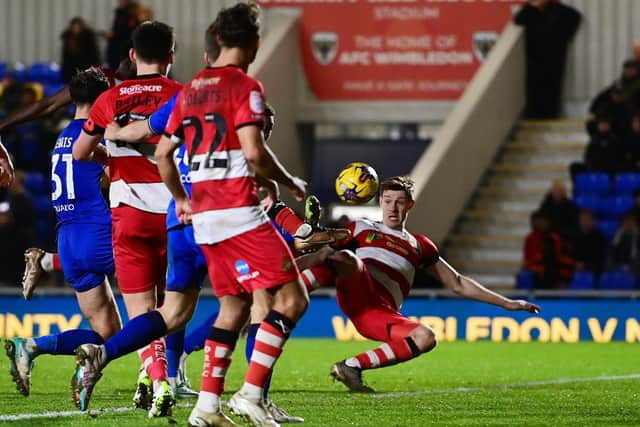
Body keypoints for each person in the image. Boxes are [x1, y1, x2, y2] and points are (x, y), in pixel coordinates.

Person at [73, 7, 308, 426]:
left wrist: (176, 193)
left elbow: (153, 143)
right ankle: (253, 395)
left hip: (182, 217)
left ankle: (198, 403)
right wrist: (287, 181)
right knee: (284, 299)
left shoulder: (190, 91)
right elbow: (252, 151)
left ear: (211, 46)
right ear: (252, 44)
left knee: (201, 310)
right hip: (233, 211)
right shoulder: (241, 86)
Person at [296, 176, 540, 393]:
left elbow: (456, 283)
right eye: (388, 200)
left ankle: (351, 366)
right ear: (380, 202)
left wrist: (508, 303)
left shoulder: (420, 245)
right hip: (358, 288)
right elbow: (316, 251)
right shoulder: (362, 228)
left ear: (409, 205)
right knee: (341, 257)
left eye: (399, 202)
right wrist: (289, 265)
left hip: (380, 315)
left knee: (426, 337)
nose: (393, 207)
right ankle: (284, 297)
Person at [72, 21, 182, 417]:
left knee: (141, 312)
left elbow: (80, 153)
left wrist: (113, 151)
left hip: (130, 217)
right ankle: (161, 377)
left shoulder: (111, 98)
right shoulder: (185, 96)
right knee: (173, 308)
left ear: (132, 55)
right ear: (172, 56)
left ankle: (157, 381)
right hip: (177, 217)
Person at [4, 69, 123, 398]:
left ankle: (30, 345)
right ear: (103, 100)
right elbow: (123, 180)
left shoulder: (61, 138)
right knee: (162, 293)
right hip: (99, 233)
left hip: (68, 238)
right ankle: (158, 380)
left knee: (108, 333)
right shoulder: (99, 135)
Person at [514, 0, 581, 118]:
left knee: (552, 86)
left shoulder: (558, 10)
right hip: (534, 57)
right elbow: (517, 21)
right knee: (533, 87)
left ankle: (551, 114)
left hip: (554, 57)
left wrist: (563, 37)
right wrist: (530, 7)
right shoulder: (529, 12)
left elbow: (575, 17)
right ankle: (533, 114)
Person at [523, 210, 574, 289]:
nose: (540, 224)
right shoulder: (530, 238)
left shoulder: (554, 238)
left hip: (554, 268)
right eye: (536, 221)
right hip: (537, 271)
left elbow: (559, 256)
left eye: (542, 221)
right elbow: (528, 259)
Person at [539, 179, 579, 246]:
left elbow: (574, 227)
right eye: (555, 190)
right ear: (551, 191)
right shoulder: (545, 205)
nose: (557, 192)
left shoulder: (571, 207)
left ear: (564, 192)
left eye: (560, 190)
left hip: (564, 239)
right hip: (548, 239)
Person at [61, 17, 101, 83]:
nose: (75, 29)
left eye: (77, 27)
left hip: (85, 68)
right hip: (71, 69)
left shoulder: (88, 39)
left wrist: (94, 67)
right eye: (74, 27)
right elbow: (65, 56)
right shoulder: (69, 38)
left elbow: (94, 55)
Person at [105, 0, 139, 71]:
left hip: (124, 48)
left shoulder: (132, 13)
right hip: (116, 48)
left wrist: (114, 34)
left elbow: (130, 30)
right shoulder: (119, 12)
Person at [573, 209, 606, 277]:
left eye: (587, 220)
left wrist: (585, 265)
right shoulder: (574, 236)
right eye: (582, 219)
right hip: (574, 267)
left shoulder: (599, 238)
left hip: (591, 269)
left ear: (593, 221)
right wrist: (575, 263)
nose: (584, 222)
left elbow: (599, 258)